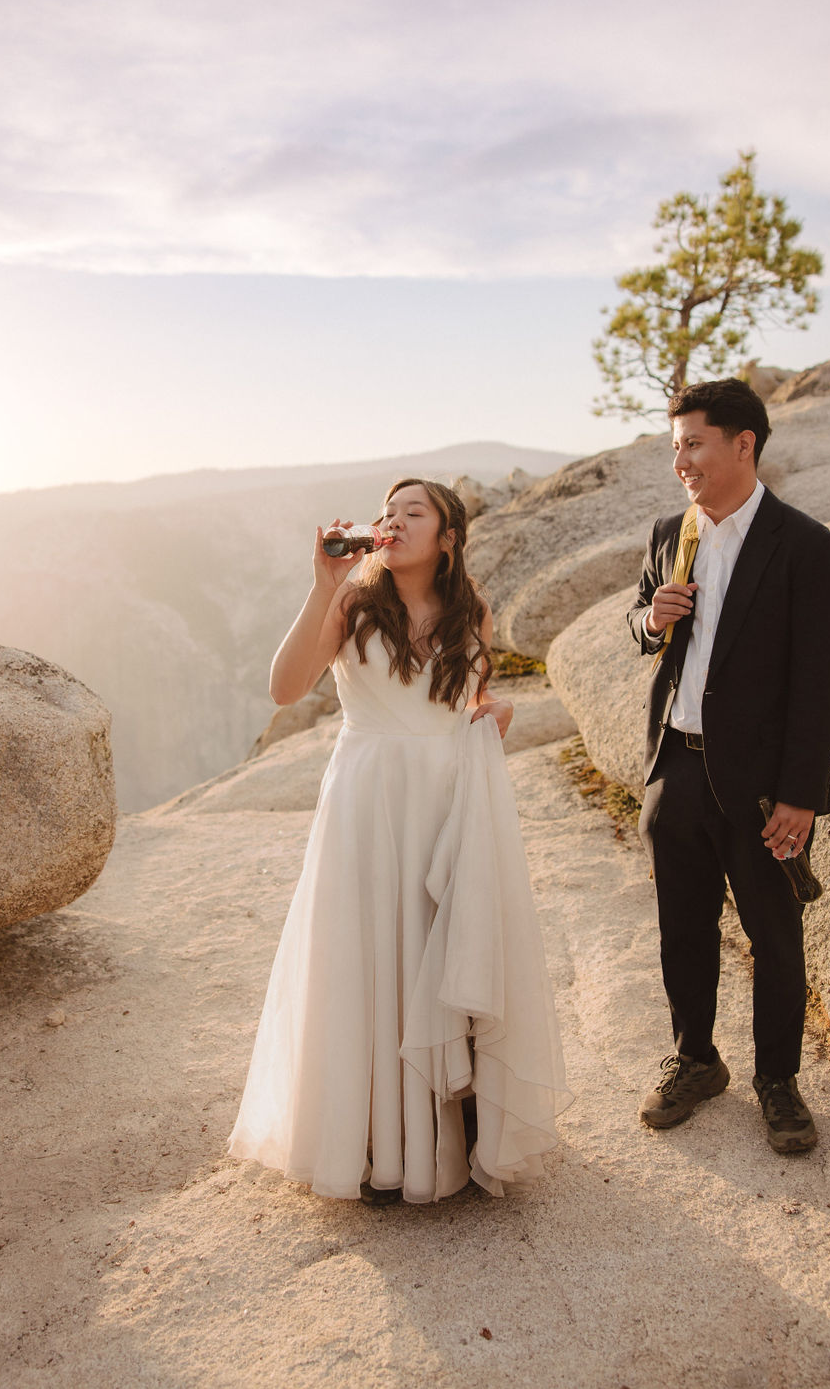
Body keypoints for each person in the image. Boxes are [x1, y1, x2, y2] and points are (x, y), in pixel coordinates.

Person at [229, 478, 570, 1203]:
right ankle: (371, 1140)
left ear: (448, 537)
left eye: (415, 512)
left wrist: (492, 707)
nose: (394, 520)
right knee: (368, 955)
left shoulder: (468, 608)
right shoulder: (354, 600)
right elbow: (285, 688)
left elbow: (465, 699)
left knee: (437, 950)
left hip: (447, 801)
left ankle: (448, 1136)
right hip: (368, 800)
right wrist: (321, 583)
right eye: (388, 512)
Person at [628, 379, 830, 1153]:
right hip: (677, 770)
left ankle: (778, 1081)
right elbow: (643, 623)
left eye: (694, 443)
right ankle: (695, 1059)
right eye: (676, 447)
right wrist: (648, 619)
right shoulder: (668, 532)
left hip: (760, 788)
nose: (681, 461)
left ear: (743, 444)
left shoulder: (808, 546)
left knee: (774, 934)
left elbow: (823, 682)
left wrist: (800, 795)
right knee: (680, 928)